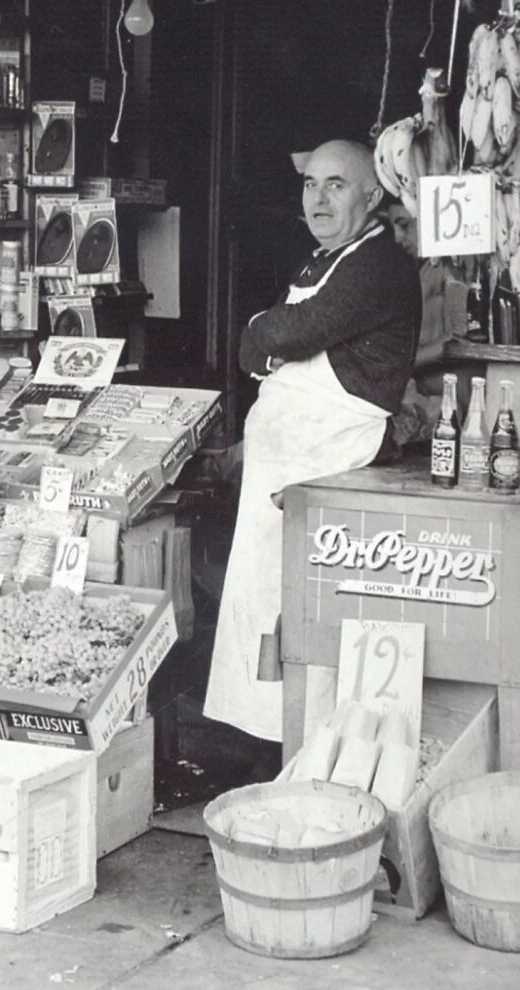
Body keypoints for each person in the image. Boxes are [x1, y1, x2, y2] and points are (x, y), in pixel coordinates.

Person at [203, 139, 421, 750]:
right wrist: (268, 336)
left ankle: (300, 750)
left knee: (305, 618)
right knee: (261, 604)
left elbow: (293, 330)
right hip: (284, 474)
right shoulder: (323, 261)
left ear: (373, 195)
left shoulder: (378, 266)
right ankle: (261, 741)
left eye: (337, 185)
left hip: (328, 467)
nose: (319, 199)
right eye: (310, 185)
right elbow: (252, 344)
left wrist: (269, 334)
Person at [387, 202, 479, 445]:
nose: (398, 237)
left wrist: (402, 365)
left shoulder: (449, 267)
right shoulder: (423, 269)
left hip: (453, 395)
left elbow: (459, 338)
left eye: (405, 226)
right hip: (429, 396)